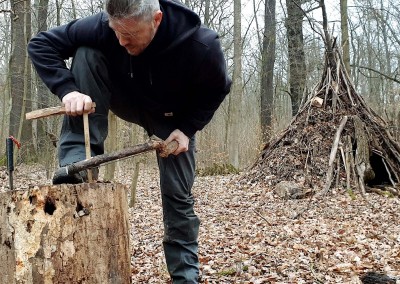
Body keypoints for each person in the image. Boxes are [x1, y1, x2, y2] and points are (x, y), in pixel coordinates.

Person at [27, 0, 231, 283]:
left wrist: (187, 129)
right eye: (116, 32)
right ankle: (77, 164)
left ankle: (185, 276)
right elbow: (40, 45)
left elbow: (218, 88)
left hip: (172, 119)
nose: (121, 41)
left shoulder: (201, 46)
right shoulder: (102, 27)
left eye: (130, 35)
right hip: (122, 95)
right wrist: (68, 90)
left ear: (156, 20)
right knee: (85, 52)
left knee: (178, 194)